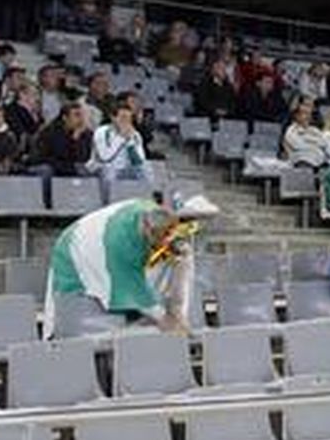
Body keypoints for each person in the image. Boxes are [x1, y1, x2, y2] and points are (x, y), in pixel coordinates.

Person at [44, 197, 212, 335]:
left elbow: (181, 263)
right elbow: (137, 294)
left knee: (156, 321)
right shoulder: (119, 245)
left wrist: (178, 313)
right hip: (76, 254)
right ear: (147, 232)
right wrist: (168, 321)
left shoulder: (160, 218)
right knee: (114, 327)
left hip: (112, 239)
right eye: (155, 243)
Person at [88, 101, 149, 185]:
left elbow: (139, 161)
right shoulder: (101, 131)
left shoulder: (135, 135)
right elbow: (105, 157)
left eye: (129, 118)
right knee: (110, 171)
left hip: (125, 170)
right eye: (123, 117)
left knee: (146, 170)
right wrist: (121, 137)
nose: (126, 122)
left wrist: (129, 142)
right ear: (113, 118)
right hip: (101, 168)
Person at [35, 101, 93, 178]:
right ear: (65, 118)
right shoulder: (52, 132)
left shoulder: (86, 133)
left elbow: (85, 157)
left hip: (73, 166)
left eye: (82, 115)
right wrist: (74, 139)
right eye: (76, 115)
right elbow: (61, 156)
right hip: (53, 164)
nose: (81, 119)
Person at [282, 99, 330, 169]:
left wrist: (309, 141)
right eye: (304, 114)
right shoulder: (291, 130)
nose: (307, 117)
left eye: (308, 114)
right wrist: (314, 142)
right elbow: (298, 145)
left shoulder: (314, 130)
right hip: (302, 161)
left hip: (320, 161)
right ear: (296, 116)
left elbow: (324, 143)